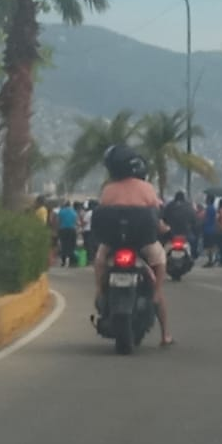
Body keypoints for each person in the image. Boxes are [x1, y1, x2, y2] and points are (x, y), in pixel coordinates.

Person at [91, 144, 173, 347]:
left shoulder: (108, 189)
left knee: (100, 260)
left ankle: (99, 290)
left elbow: (102, 215)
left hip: (113, 243)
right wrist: (164, 230)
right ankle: (164, 333)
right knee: (160, 261)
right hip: (142, 243)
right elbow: (156, 217)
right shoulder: (146, 188)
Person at [56, 198, 80, 267]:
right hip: (72, 230)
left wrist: (58, 229)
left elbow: (58, 221)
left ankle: (63, 262)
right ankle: (72, 262)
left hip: (63, 230)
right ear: (70, 205)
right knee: (72, 246)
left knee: (64, 245)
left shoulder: (61, 211)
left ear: (64, 205)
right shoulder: (74, 212)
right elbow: (77, 222)